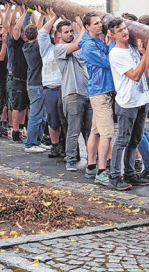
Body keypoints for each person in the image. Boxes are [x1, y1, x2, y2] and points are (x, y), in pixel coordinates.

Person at [106, 18, 149, 191]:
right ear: (112, 35)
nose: (125, 32)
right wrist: (146, 51)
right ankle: (114, 175)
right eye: (119, 30)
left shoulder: (134, 48)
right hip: (127, 102)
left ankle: (129, 173)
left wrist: (144, 53)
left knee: (135, 139)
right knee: (122, 140)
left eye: (125, 28)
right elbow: (134, 75)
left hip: (141, 99)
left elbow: (147, 74)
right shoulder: (116, 53)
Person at [76, 12, 115, 184]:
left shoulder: (96, 40)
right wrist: (114, 42)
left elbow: (106, 53)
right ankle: (102, 171)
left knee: (96, 131)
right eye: (96, 23)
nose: (100, 25)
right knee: (107, 133)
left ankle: (91, 166)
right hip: (100, 90)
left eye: (100, 23)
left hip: (100, 89)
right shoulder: (88, 46)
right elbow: (108, 61)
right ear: (87, 27)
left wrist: (108, 42)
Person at [52, 18, 90, 172]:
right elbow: (76, 45)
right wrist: (82, 27)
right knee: (73, 130)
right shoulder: (59, 48)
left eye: (71, 31)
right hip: (72, 93)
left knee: (89, 130)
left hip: (87, 92)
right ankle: (71, 159)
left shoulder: (78, 45)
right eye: (66, 32)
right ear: (59, 35)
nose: (69, 34)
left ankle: (92, 160)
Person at [36, 12, 64, 158]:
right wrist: (54, 17)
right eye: (58, 35)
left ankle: (66, 146)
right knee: (53, 119)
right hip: (51, 88)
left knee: (67, 119)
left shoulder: (69, 47)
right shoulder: (47, 49)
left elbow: (79, 34)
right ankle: (55, 145)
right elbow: (42, 33)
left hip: (66, 88)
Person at [20, 12, 49, 153]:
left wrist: (29, 13)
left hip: (34, 84)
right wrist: (43, 15)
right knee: (36, 116)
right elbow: (41, 30)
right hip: (36, 85)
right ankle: (30, 144)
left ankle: (37, 141)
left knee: (42, 115)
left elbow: (31, 27)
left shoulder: (25, 46)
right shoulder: (36, 46)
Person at [4, 7, 31, 143]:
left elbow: (34, 28)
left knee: (24, 107)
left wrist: (30, 12)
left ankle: (21, 128)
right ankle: (15, 131)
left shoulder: (28, 42)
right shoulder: (14, 42)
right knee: (17, 106)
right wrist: (24, 13)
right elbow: (14, 27)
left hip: (28, 78)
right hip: (17, 78)